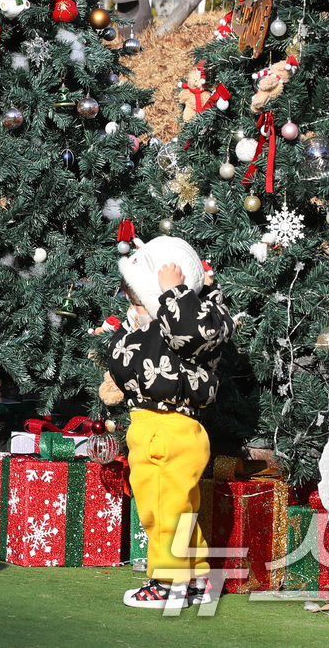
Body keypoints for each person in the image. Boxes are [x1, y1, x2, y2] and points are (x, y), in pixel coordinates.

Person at [99, 235, 233, 610]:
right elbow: (135, 359)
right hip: (152, 423)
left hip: (169, 426)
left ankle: (168, 580)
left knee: (164, 507)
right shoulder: (155, 324)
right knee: (176, 505)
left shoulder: (198, 319)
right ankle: (194, 578)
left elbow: (191, 334)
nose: (135, 310)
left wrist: (172, 292)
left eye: (140, 301)